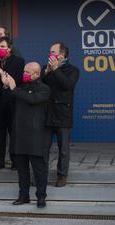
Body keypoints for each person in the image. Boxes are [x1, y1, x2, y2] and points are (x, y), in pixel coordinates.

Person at [0, 62, 50, 208]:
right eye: (24, 71)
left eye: (28, 72)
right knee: (22, 169)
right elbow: (8, 102)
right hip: (19, 135)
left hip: (35, 136)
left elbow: (32, 99)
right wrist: (6, 86)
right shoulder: (20, 88)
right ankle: (23, 195)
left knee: (39, 170)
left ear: (37, 74)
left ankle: (41, 197)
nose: (24, 74)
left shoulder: (44, 89)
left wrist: (14, 88)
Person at [42, 42, 79, 187]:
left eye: (53, 52)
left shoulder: (73, 70)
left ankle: (62, 176)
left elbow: (67, 85)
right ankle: (41, 175)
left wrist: (56, 69)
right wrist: (47, 72)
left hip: (63, 114)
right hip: (47, 114)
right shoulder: (47, 68)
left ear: (62, 55)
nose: (50, 54)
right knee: (43, 148)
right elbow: (41, 84)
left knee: (63, 149)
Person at [0, 37, 25, 170]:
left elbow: (18, 81)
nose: (0, 49)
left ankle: (15, 161)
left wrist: (5, 77)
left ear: (9, 48)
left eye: (3, 47)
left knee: (13, 133)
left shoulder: (18, 61)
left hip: (12, 102)